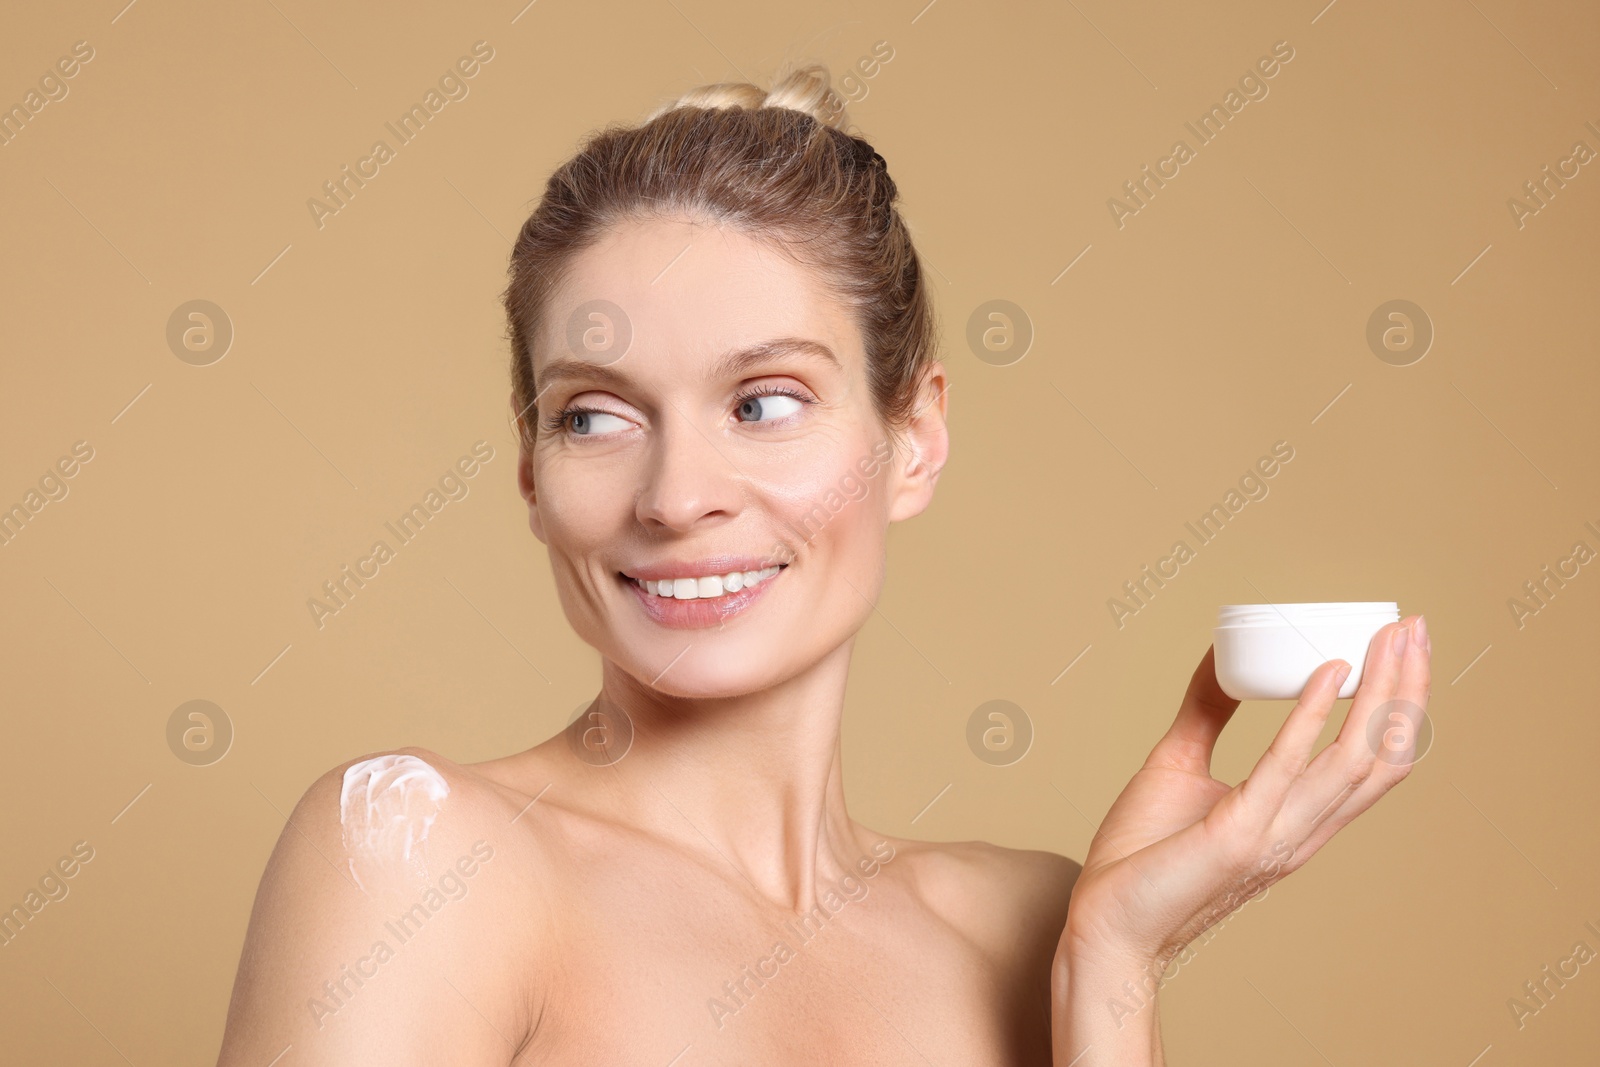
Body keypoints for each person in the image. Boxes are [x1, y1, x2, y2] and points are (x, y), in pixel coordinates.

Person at [216, 63, 1431, 1065]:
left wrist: (1111, 964)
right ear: (531, 469)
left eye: (765, 400)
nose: (679, 495)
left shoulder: (1027, 924)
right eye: (594, 414)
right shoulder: (421, 858)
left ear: (913, 440)